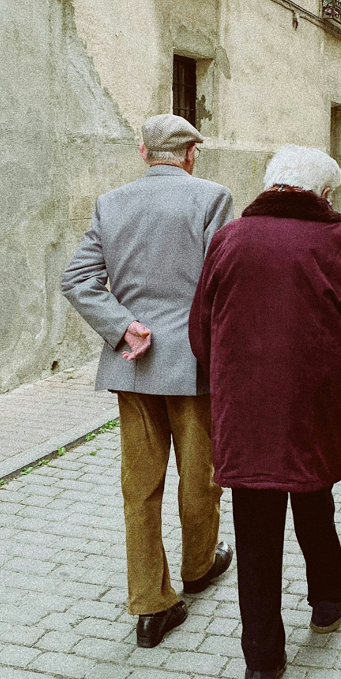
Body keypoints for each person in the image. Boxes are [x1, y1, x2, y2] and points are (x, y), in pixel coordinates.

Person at [189, 145, 341, 679]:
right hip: (311, 404)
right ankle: (326, 600)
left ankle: (262, 666)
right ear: (323, 194)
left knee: (255, 527)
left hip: (244, 411)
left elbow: (201, 329)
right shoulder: (339, 242)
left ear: (271, 187)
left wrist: (225, 374)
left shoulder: (230, 239)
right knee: (314, 497)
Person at [61, 114, 235, 649]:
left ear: (143, 153)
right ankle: (198, 566)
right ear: (190, 154)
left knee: (140, 487)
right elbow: (222, 281)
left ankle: (150, 605)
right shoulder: (213, 198)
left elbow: (77, 280)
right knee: (199, 475)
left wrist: (122, 326)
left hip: (133, 365)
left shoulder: (111, 203)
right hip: (195, 365)